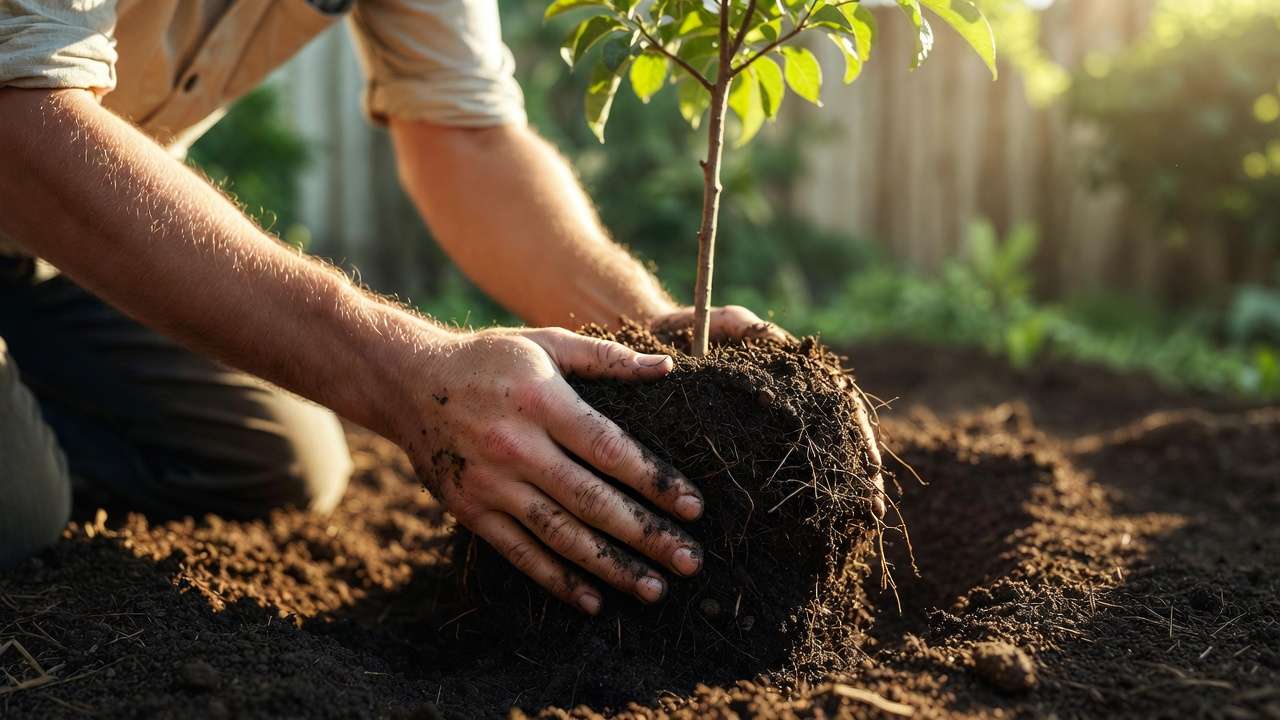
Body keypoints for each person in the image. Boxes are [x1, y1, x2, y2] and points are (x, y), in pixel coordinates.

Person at [0, 0, 793, 615]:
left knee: (272, 460)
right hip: (30, 174)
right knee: (20, 512)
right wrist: (405, 369)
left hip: (59, 236)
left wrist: (646, 331)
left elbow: (466, 135)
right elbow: (21, 119)